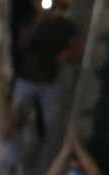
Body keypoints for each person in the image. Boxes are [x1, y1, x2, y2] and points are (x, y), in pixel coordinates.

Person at [10, 0, 81, 143]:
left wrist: (68, 55)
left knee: (53, 123)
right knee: (16, 121)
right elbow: (22, 43)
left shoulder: (65, 25)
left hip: (49, 81)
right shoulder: (28, 20)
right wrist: (38, 20)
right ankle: (15, 154)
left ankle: (51, 152)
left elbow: (79, 49)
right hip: (26, 79)